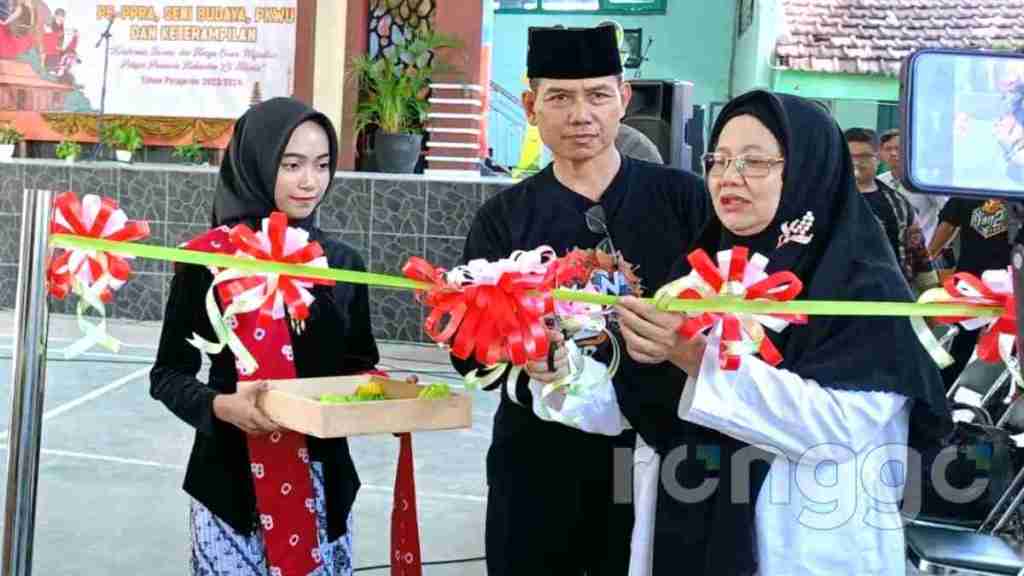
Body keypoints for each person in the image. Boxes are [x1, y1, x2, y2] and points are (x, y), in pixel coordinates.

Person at [615, 90, 951, 574]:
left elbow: (839, 428)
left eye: (754, 162)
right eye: (719, 160)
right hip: (687, 524)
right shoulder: (699, 272)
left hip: (806, 537)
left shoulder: (862, 284)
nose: (729, 177)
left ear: (807, 170)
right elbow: (646, 406)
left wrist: (696, 358)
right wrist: (566, 369)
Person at [451, 24, 709, 575]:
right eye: (560, 98)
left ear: (624, 99)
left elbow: (731, 315)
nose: (581, 115)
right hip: (539, 461)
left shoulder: (684, 200)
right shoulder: (504, 219)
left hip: (659, 452)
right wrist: (522, 353)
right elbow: (467, 349)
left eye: (597, 95)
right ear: (531, 107)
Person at [150, 98, 378, 575]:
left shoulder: (341, 263)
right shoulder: (210, 260)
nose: (310, 182)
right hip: (229, 489)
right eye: (291, 165)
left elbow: (359, 366)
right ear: (255, 162)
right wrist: (220, 406)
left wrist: (385, 394)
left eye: (322, 165)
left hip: (323, 486)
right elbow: (167, 374)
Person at [929, 197, 1012, 388]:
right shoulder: (969, 188)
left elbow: (947, 226)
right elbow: (947, 225)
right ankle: (939, 390)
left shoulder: (970, 188)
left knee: (973, 342)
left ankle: (941, 390)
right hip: (974, 283)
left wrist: (929, 256)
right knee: (962, 341)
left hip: (1003, 283)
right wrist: (928, 257)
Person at [845, 127, 938, 294]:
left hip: (889, 293)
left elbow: (919, 255)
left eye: (864, 156)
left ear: (877, 158)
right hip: (837, 295)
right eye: (850, 157)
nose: (856, 162)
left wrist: (931, 299)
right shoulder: (825, 201)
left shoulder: (899, 204)